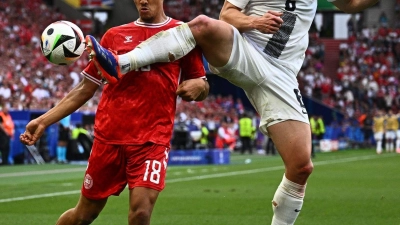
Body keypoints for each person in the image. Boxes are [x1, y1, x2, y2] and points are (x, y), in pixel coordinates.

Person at [86, 0, 379, 224]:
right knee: (203, 24)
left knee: (301, 166)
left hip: (281, 75)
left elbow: (351, 4)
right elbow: (227, 15)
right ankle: (121, 62)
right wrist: (255, 22)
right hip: (246, 52)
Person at [20, 0, 209, 224]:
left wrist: (199, 87)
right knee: (83, 216)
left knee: (140, 213)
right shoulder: (114, 36)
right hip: (108, 140)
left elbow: (202, 83)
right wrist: (43, 121)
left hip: (152, 141)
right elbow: (84, 88)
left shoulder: (181, 34)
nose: (143, 1)